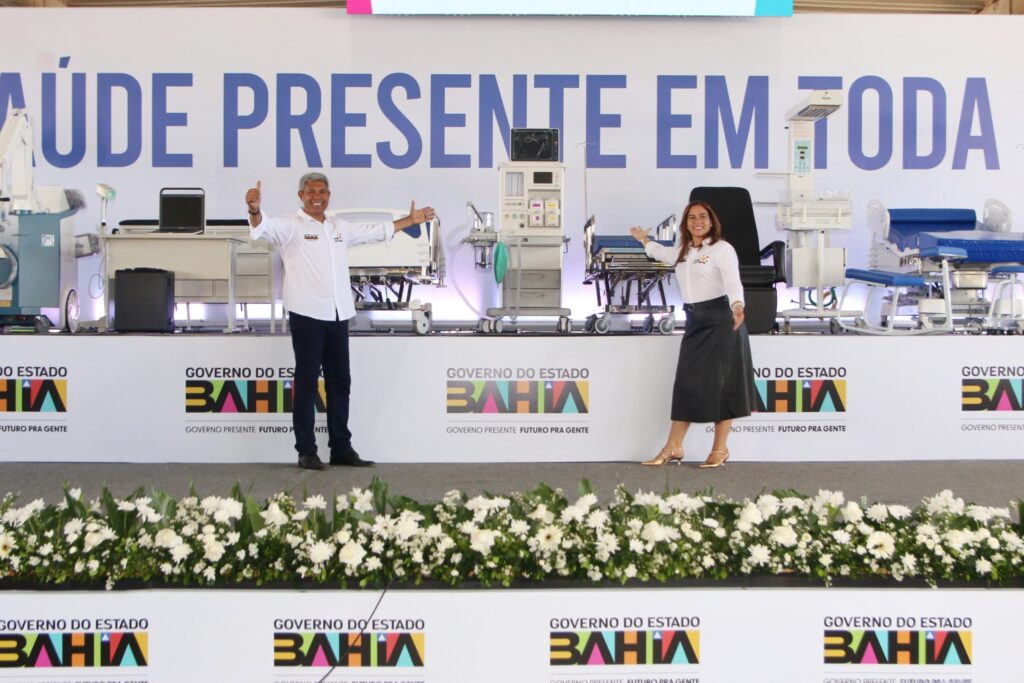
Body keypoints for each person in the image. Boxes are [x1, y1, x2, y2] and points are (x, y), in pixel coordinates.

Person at [246, 173, 435, 470]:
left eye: (322, 191)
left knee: (340, 383)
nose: (317, 196)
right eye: (311, 191)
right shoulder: (290, 226)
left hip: (338, 314)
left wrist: (410, 221)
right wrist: (255, 210)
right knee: (307, 383)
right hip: (306, 313)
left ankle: (341, 449)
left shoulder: (338, 227)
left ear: (329, 195)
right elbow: (263, 228)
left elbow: (375, 231)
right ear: (301, 195)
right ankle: (306, 451)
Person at [629, 199, 755, 468]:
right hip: (696, 322)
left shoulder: (722, 249)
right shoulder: (683, 251)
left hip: (722, 320)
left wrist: (738, 306)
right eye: (692, 218)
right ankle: (674, 447)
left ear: (711, 222)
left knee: (723, 385)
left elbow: (734, 282)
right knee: (686, 383)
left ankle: (720, 449)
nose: (697, 221)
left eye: (702, 217)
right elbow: (660, 252)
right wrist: (644, 240)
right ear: (686, 224)